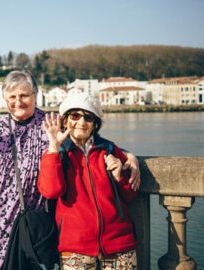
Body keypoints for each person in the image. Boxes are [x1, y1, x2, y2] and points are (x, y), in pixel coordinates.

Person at [0, 72, 141, 269]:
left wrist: (127, 156)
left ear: (35, 95)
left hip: (28, 226)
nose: (18, 102)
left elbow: (87, 139)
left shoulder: (52, 124)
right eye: (12, 97)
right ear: (5, 98)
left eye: (24, 95)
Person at [38, 93, 138, 270]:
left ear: (95, 124)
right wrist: (53, 148)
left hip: (119, 243)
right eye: (75, 115)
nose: (82, 122)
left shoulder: (109, 149)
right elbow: (50, 191)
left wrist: (118, 176)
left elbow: (130, 195)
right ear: (66, 120)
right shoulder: (58, 153)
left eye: (88, 117)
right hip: (74, 247)